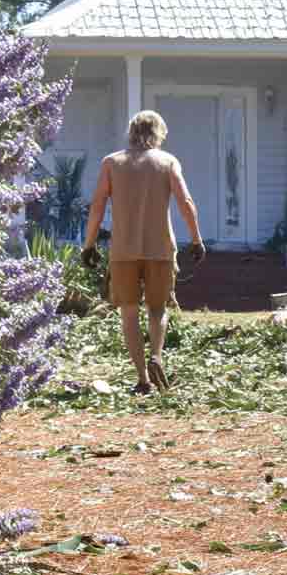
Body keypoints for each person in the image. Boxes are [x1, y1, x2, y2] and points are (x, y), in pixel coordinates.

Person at [81, 110, 205, 394]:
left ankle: (142, 379)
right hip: (160, 248)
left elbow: (97, 205)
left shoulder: (112, 163)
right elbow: (185, 201)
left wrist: (89, 244)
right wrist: (196, 239)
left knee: (128, 312)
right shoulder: (167, 162)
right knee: (158, 309)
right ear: (158, 133)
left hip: (123, 250)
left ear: (131, 133)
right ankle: (156, 356)